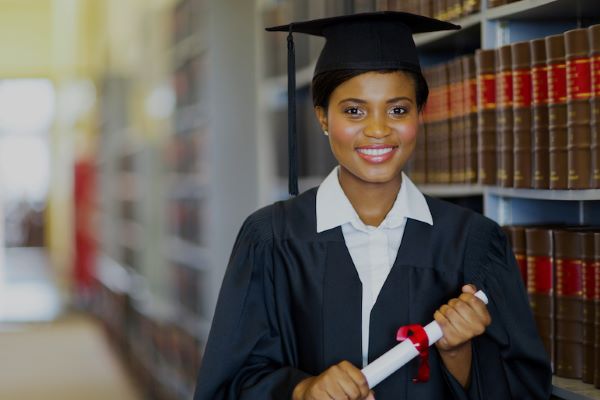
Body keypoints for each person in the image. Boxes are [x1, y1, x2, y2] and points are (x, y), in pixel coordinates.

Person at [194, 11, 552, 400]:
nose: (379, 129)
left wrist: (457, 353)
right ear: (322, 117)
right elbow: (226, 385)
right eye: (354, 110)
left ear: (419, 114)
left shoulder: (474, 242)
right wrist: (302, 390)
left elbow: (526, 391)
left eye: (398, 109)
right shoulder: (271, 238)